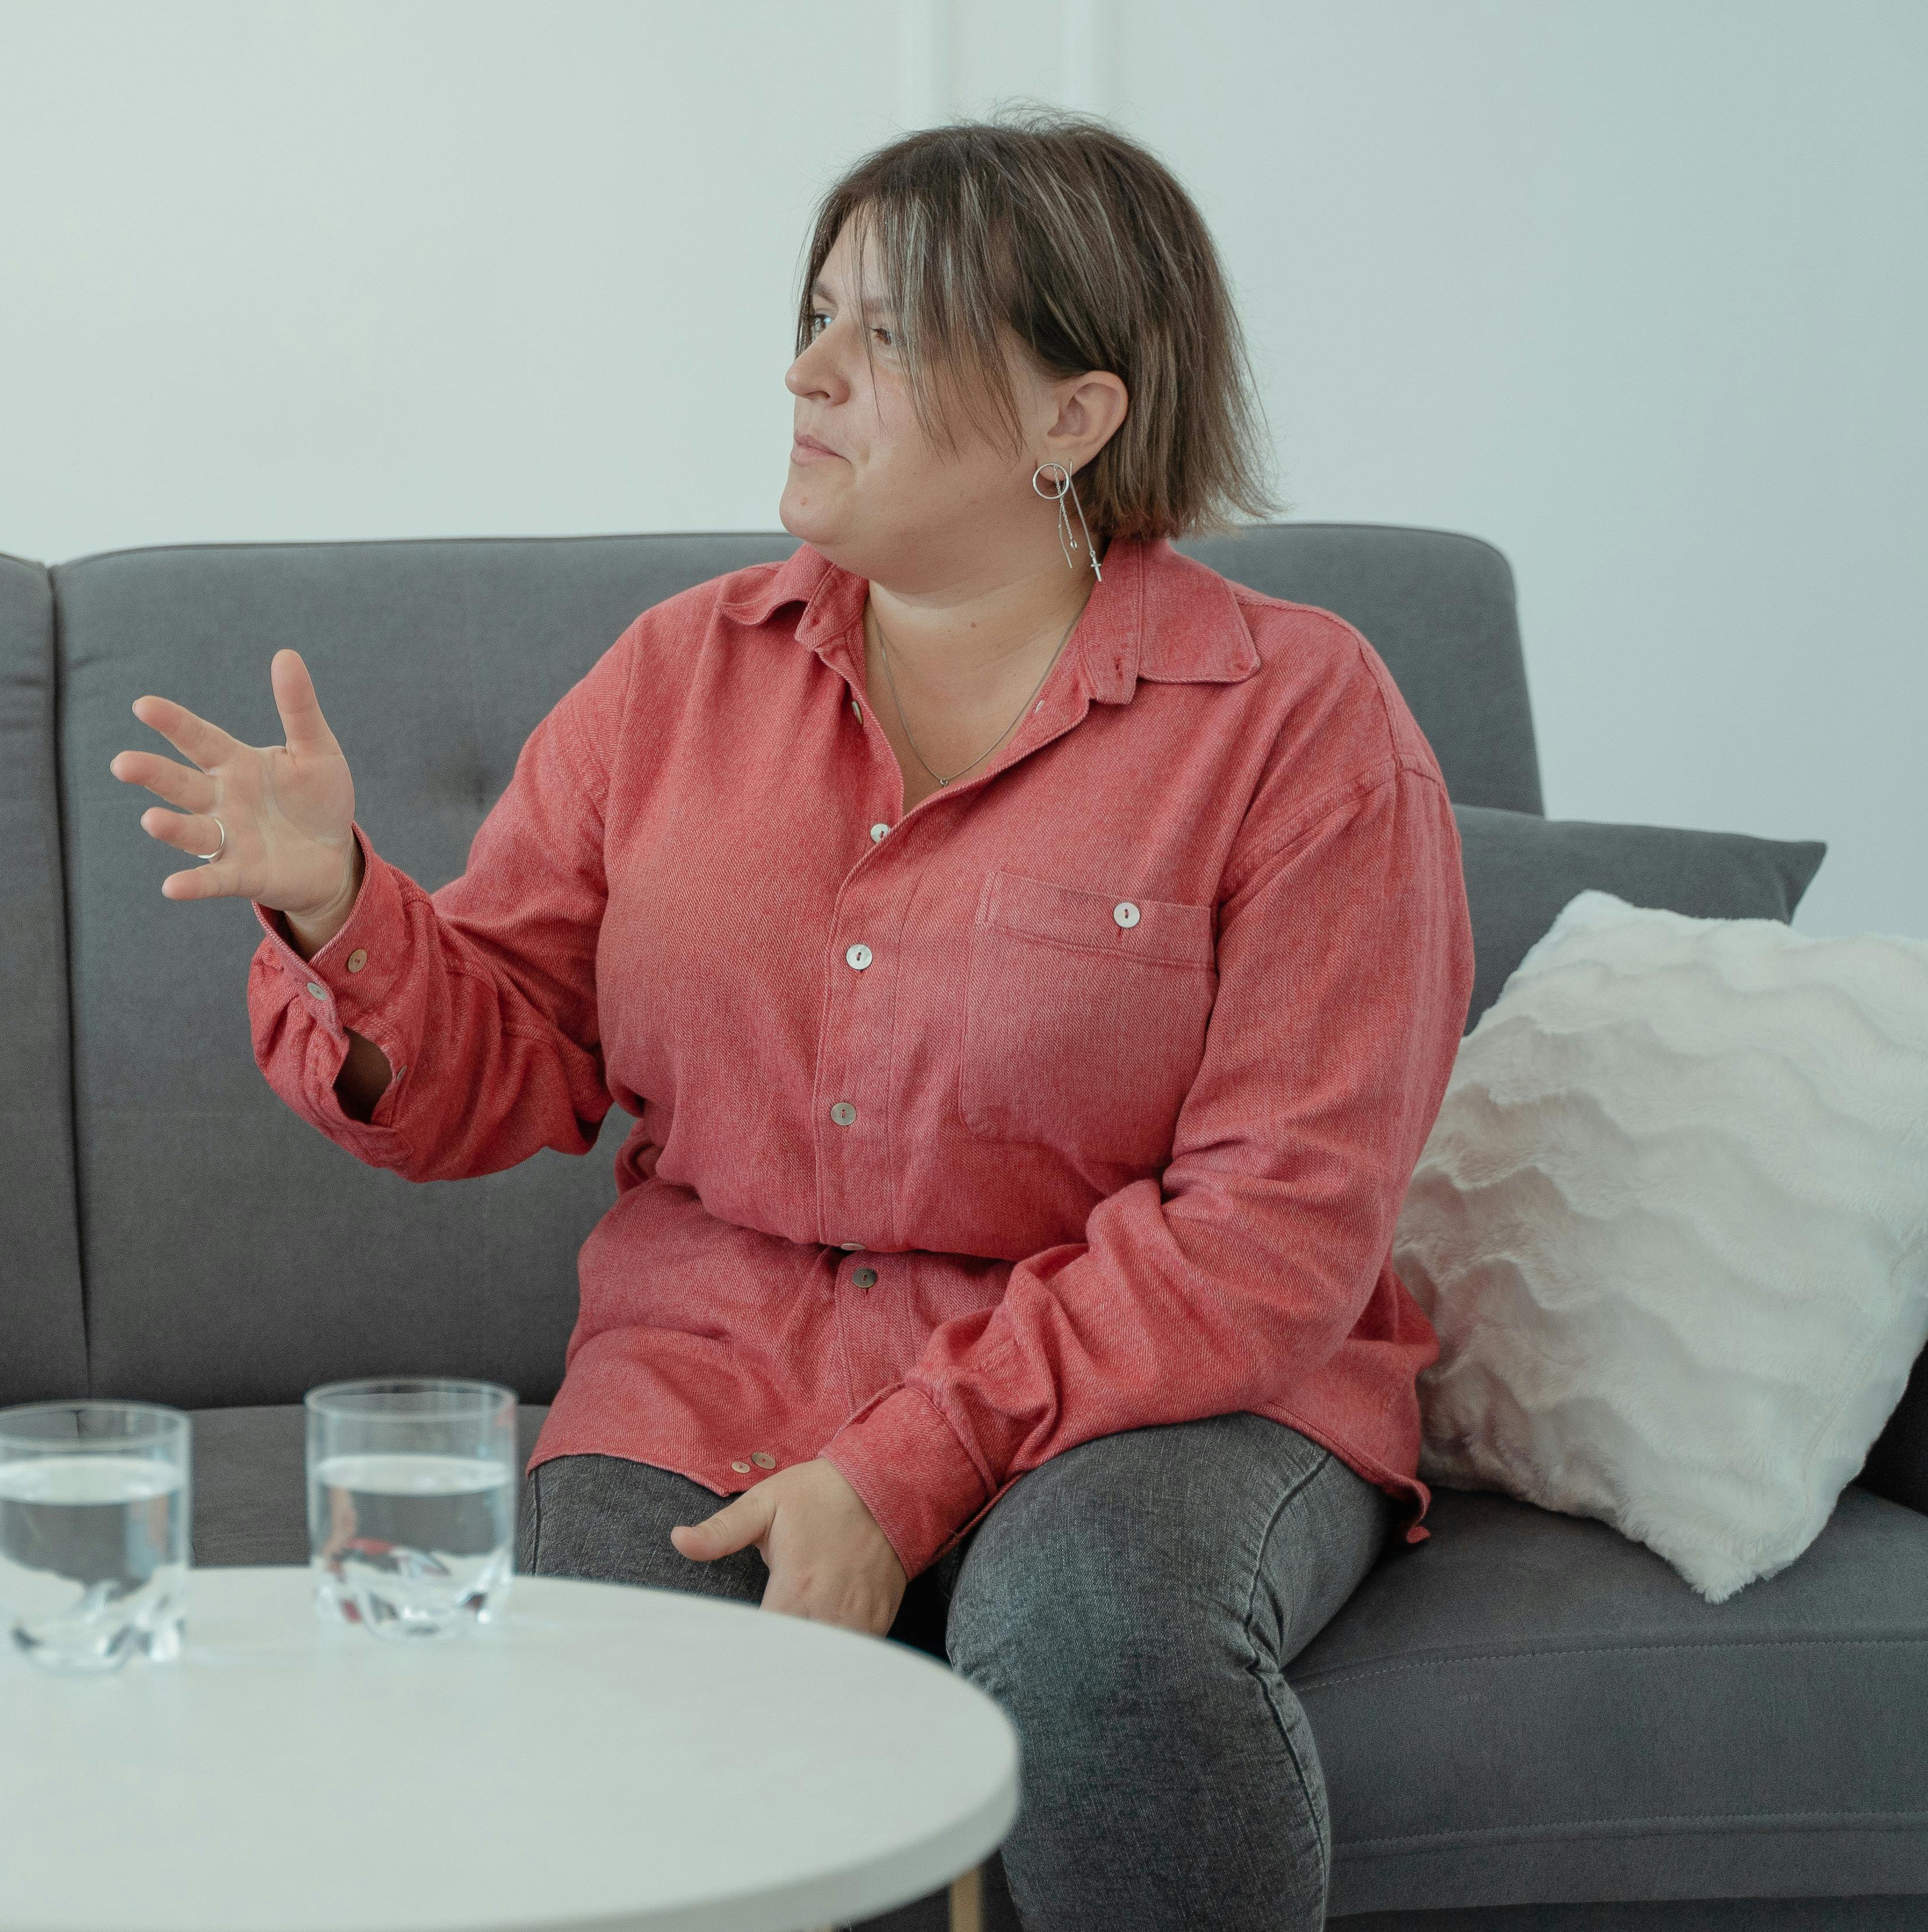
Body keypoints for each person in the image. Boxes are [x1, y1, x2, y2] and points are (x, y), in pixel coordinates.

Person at [113, 114, 1468, 1930]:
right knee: (609, 1717)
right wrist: (341, 911)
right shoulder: (679, 673)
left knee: (1089, 1638)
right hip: (719, 1361)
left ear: (1077, 416)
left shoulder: (1297, 718)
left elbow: (1277, 1225)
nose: (805, 371)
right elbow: (501, 1066)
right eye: (815, 314)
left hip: (1173, 1391)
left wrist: (903, 1469)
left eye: (884, 336)